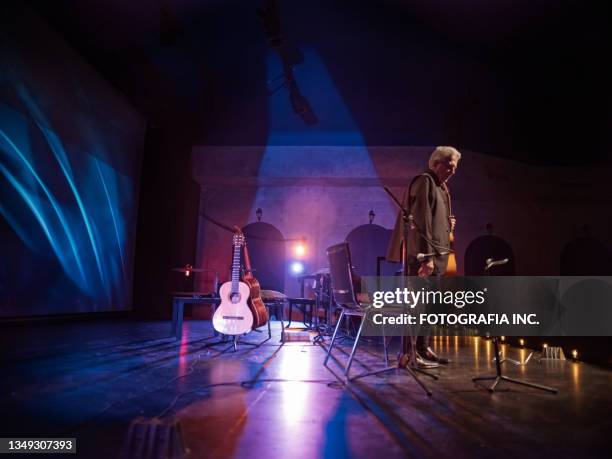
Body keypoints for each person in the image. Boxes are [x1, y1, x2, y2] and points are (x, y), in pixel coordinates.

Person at [386, 146, 461, 367]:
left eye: (455, 167)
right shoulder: (425, 181)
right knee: (417, 306)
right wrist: (425, 257)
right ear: (436, 163)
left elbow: (435, 219)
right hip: (424, 256)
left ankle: (423, 348)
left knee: (430, 306)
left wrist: (448, 224)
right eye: (449, 165)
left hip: (438, 256)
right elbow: (420, 221)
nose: (453, 171)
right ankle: (410, 354)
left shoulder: (442, 187)